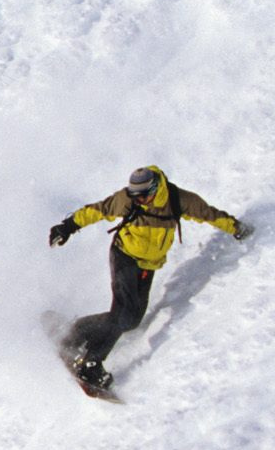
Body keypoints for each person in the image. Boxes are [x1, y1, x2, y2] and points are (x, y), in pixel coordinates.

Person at [48, 165, 253, 391]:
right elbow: (97, 210)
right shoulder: (127, 200)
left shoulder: (178, 200)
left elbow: (208, 214)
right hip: (124, 256)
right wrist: (66, 227)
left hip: (148, 265)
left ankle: (75, 331)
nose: (140, 200)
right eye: (135, 195)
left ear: (156, 188)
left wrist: (235, 227)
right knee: (124, 315)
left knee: (132, 320)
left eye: (144, 195)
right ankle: (90, 362)